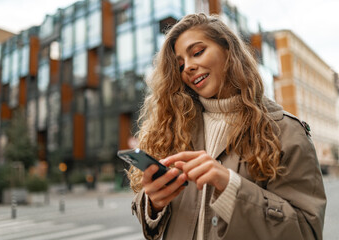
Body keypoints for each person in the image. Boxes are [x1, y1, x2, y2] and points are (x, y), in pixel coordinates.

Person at [127, 13, 326, 240]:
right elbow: (152, 220)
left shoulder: (285, 130)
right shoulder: (175, 128)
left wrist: (231, 187)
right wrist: (152, 203)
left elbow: (306, 231)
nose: (188, 67)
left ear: (228, 50)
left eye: (198, 52)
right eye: (180, 64)